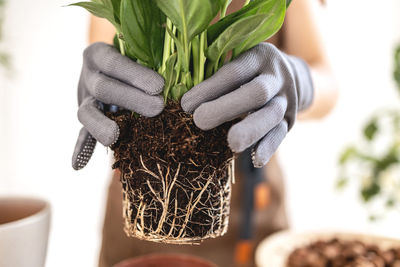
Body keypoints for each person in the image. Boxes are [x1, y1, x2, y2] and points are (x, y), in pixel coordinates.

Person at [72, 0, 338, 266]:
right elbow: (112, 36)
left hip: (248, 202)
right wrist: (102, 83)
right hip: (145, 194)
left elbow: (326, 80)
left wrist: (297, 78)